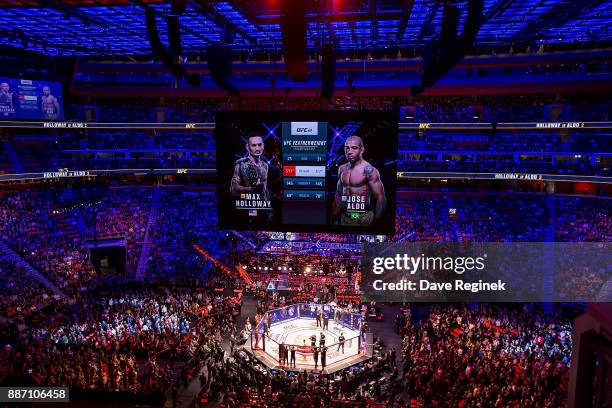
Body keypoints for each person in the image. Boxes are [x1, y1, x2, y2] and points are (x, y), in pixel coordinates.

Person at [333, 135, 386, 226]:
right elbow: (338, 194)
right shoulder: (342, 169)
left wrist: (376, 220)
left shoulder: (369, 170)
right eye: (347, 148)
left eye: (354, 148)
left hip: (363, 218)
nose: (349, 152)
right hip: (344, 217)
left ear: (361, 150)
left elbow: (381, 197)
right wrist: (335, 217)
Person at [230, 133, 269, 200]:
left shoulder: (265, 165)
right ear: (247, 147)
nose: (257, 148)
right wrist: (252, 189)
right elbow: (233, 190)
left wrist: (268, 206)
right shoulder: (241, 164)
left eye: (259, 145)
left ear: (263, 146)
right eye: (253, 145)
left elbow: (265, 189)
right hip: (247, 205)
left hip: (263, 206)